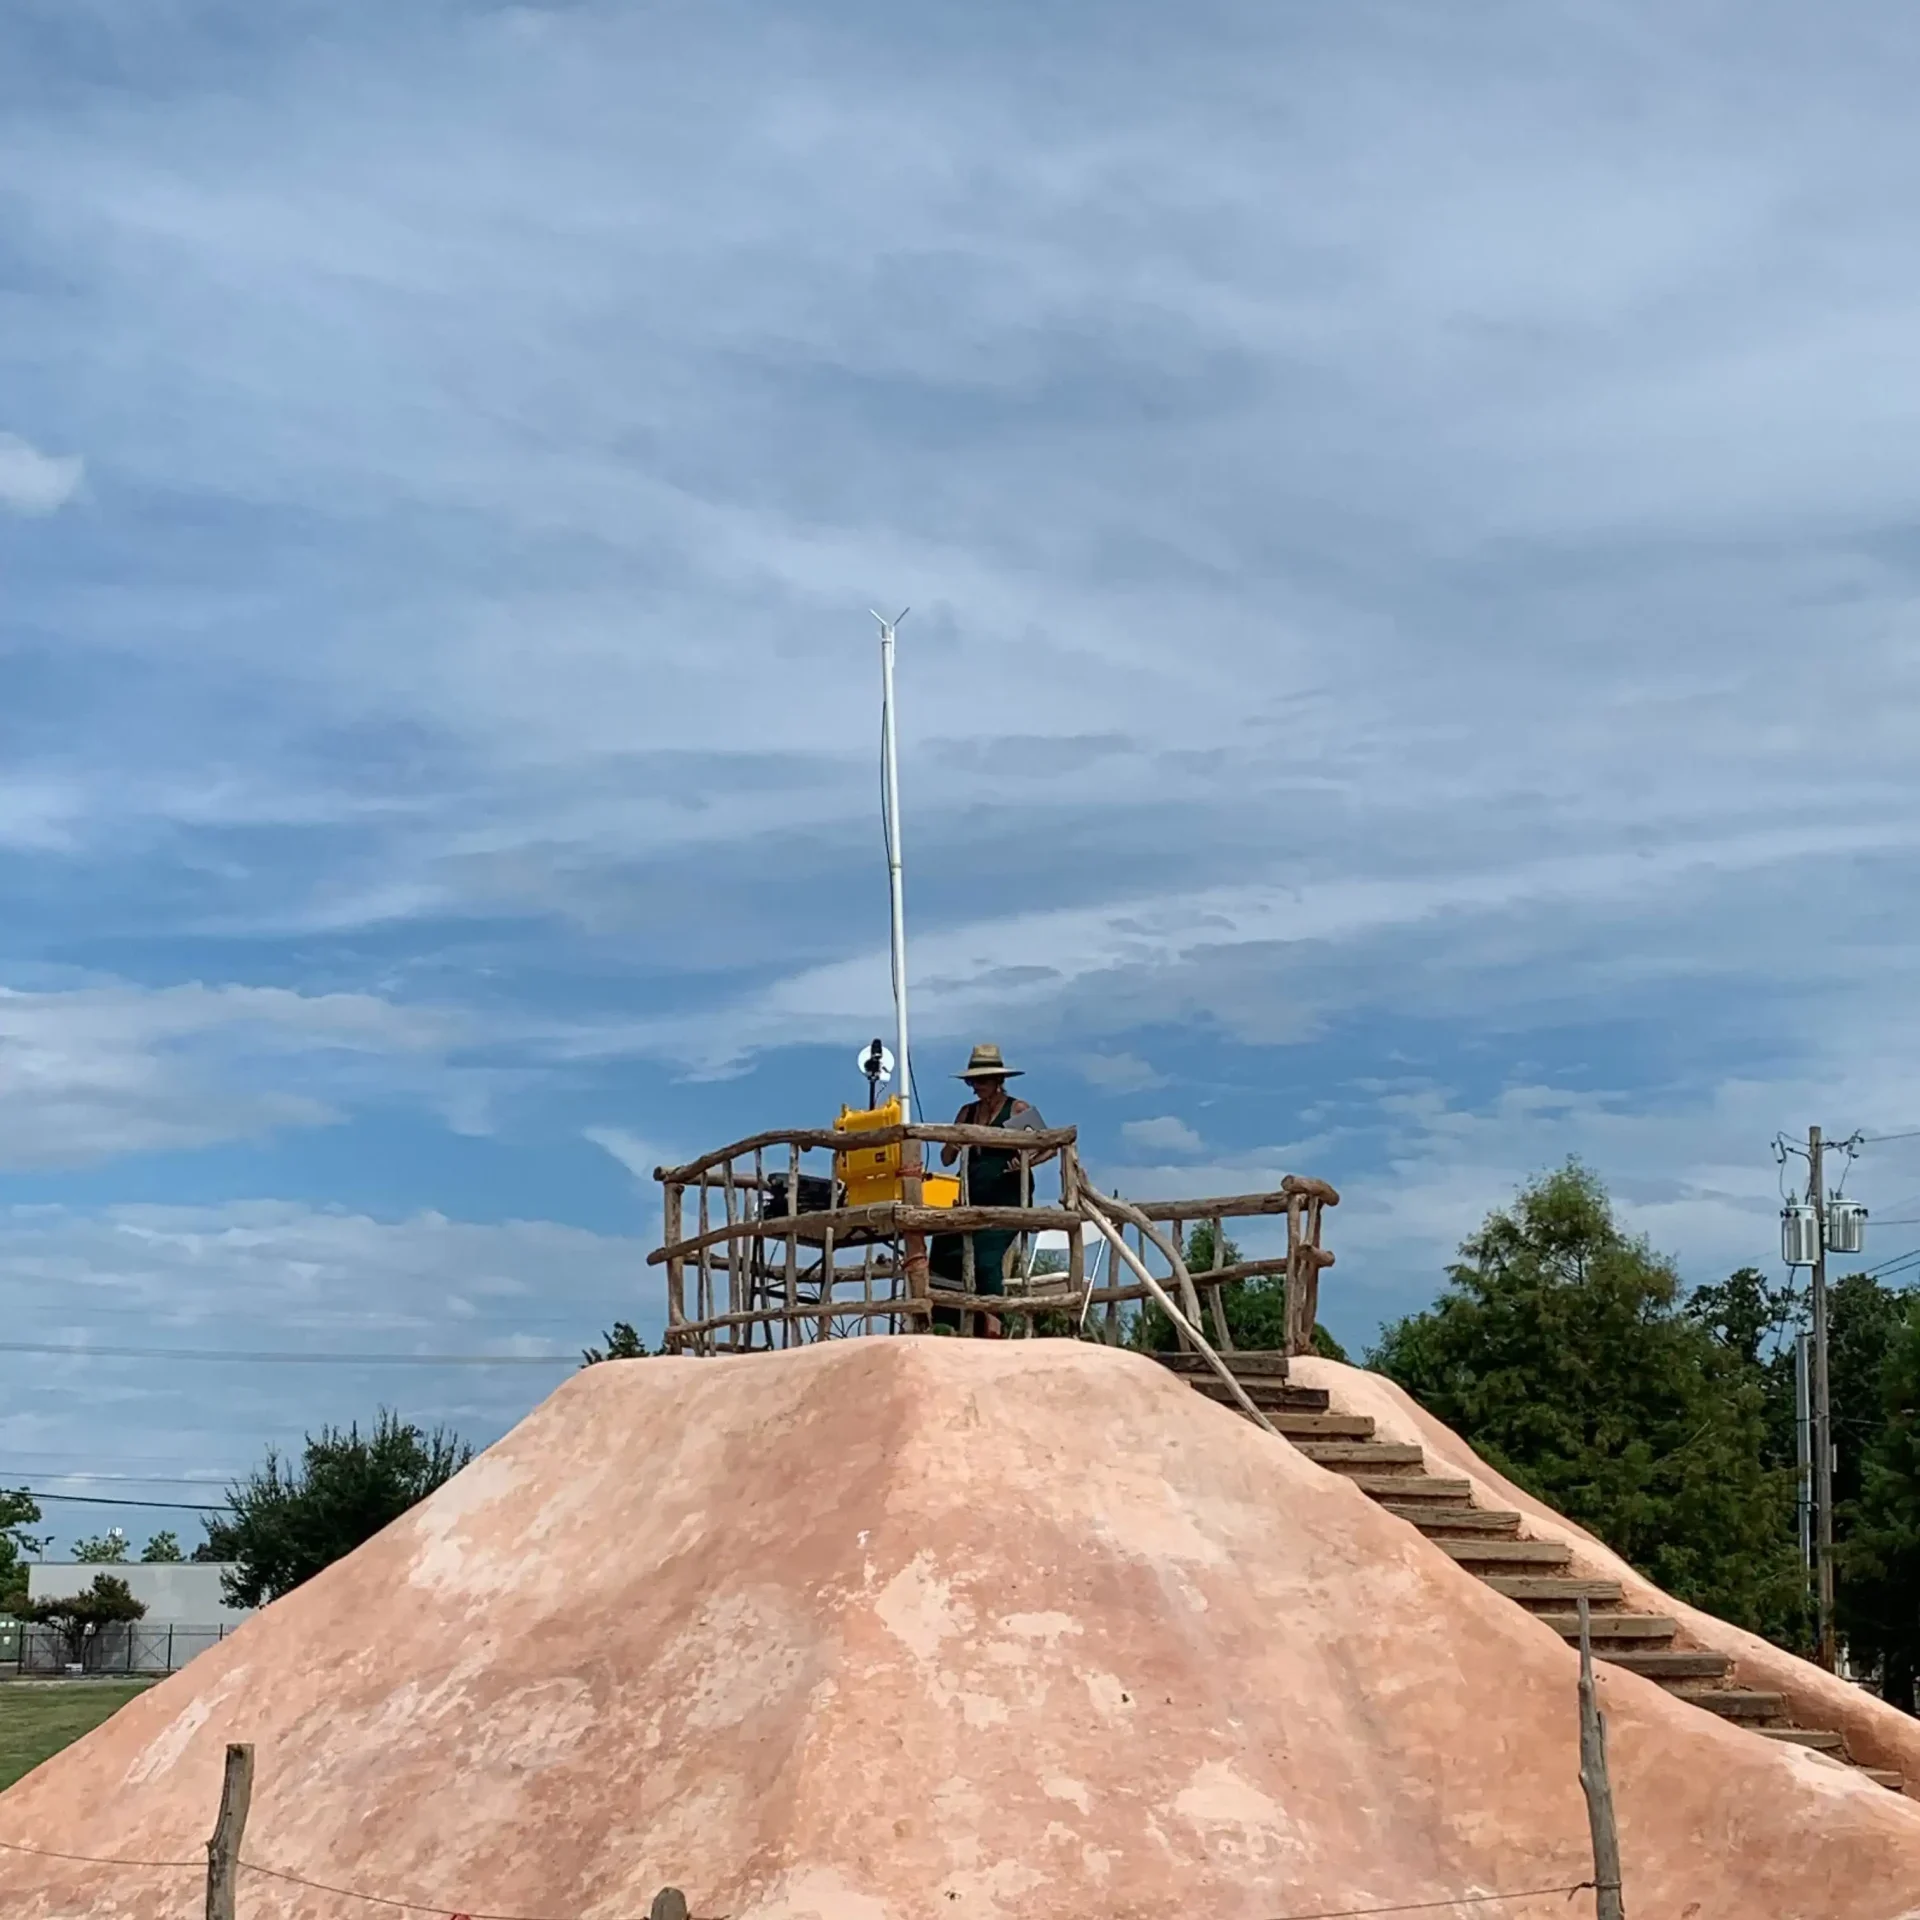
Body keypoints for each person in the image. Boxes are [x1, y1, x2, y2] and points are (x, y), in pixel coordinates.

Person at [930, 1044, 1050, 1336]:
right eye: (972, 1081)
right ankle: (948, 1321)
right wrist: (954, 1143)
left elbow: (1047, 1146)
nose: (976, 1087)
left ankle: (994, 1323)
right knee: (944, 1248)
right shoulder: (967, 1113)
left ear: (998, 1081)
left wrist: (1024, 1162)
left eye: (981, 1081)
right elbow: (946, 1159)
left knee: (986, 1258)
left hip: (1006, 1199)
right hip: (973, 1197)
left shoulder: (1017, 1109)